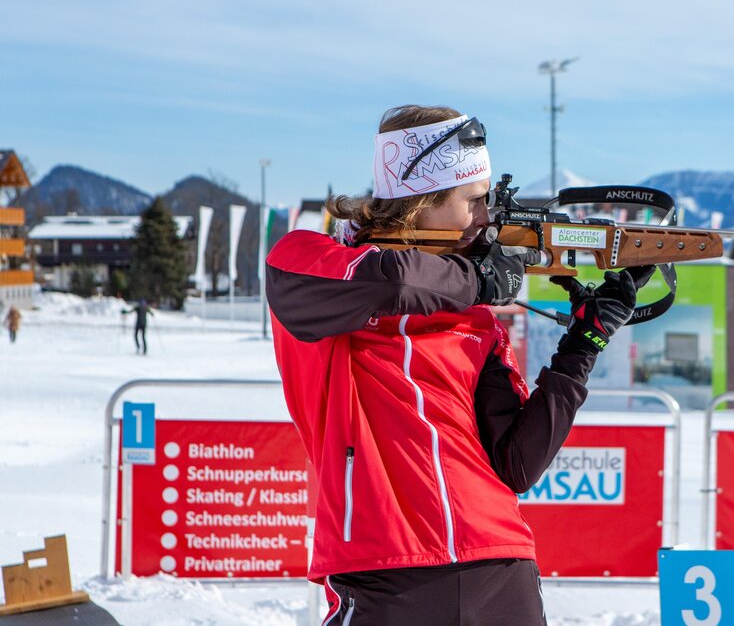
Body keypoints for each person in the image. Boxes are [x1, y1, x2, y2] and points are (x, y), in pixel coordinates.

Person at [266, 105, 652, 624]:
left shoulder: (475, 318)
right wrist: (478, 281)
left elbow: (516, 464)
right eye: (473, 200)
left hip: (498, 563)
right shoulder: (310, 262)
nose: (485, 218)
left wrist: (584, 343)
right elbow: (393, 280)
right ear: (419, 202)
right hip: (384, 570)